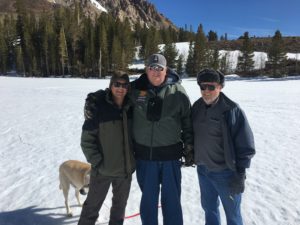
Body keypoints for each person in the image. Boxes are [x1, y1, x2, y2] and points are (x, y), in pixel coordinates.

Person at [84, 54, 194, 225]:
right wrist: (94, 99)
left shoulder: (178, 92)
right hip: (145, 158)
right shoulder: (136, 89)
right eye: (152, 68)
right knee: (148, 202)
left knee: (172, 202)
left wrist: (189, 146)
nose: (156, 72)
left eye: (160, 68)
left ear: (166, 70)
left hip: (170, 158)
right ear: (146, 70)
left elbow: (187, 121)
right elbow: (114, 93)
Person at [192, 68, 255, 225]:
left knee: (233, 216)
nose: (206, 91)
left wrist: (240, 173)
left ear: (220, 87)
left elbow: (246, 145)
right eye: (202, 87)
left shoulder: (232, 110)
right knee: (209, 210)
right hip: (203, 171)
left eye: (211, 87)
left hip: (226, 174)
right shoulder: (197, 107)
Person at [78, 72, 135, 225]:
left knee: (119, 209)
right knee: (91, 208)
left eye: (124, 85)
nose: (120, 88)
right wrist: (98, 163)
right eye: (117, 84)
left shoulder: (132, 107)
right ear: (110, 86)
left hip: (125, 171)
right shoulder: (98, 107)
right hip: (102, 171)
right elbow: (87, 141)